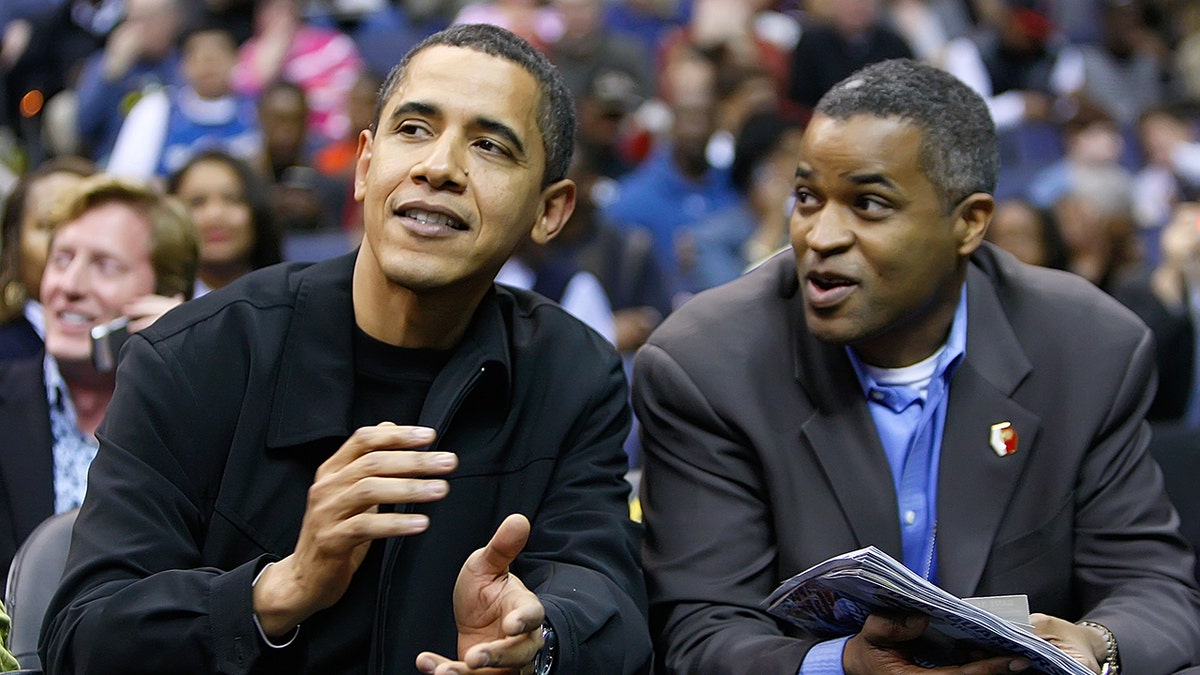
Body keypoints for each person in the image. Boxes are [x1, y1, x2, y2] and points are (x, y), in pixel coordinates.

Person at [40, 23, 651, 675]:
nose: (438, 166)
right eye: (413, 129)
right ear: (364, 166)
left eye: (490, 146)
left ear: (550, 210)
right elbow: (85, 636)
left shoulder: (573, 372)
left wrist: (539, 643)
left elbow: (612, 610)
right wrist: (279, 588)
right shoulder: (194, 355)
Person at [634, 58, 1200, 674]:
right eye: (806, 197)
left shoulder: (1087, 346)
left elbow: (1154, 588)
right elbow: (702, 631)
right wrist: (841, 666)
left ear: (969, 223)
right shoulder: (706, 364)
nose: (820, 236)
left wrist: (1099, 642)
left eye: (868, 204)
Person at [0, 174, 198, 596]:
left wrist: (178, 358)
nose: (70, 287)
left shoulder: (201, 421)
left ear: (164, 295)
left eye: (105, 267)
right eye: (62, 260)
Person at [167, 149, 282, 295]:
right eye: (197, 202)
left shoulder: (291, 301)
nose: (215, 214)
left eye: (231, 199)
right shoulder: (154, 308)